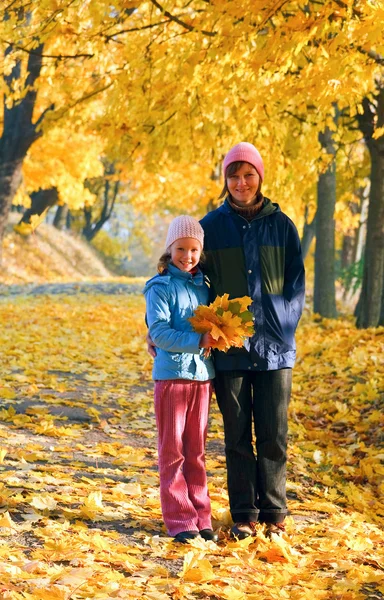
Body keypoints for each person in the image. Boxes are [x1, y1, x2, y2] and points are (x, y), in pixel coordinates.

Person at [199, 142, 305, 539]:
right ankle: (244, 512)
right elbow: (188, 279)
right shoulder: (210, 226)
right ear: (225, 180)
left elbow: (296, 285)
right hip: (230, 349)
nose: (241, 183)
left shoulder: (283, 226)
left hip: (277, 348)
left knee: (274, 433)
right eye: (233, 176)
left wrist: (285, 324)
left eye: (248, 175)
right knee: (238, 434)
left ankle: (274, 512)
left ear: (260, 177)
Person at [143, 215, 218, 544]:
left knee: (196, 451)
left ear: (200, 252)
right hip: (172, 378)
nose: (187, 255)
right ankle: (179, 519)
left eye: (193, 250)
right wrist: (197, 342)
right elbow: (158, 331)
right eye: (181, 248)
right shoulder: (159, 287)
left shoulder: (206, 287)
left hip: (202, 377)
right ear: (170, 248)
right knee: (172, 450)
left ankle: (202, 516)